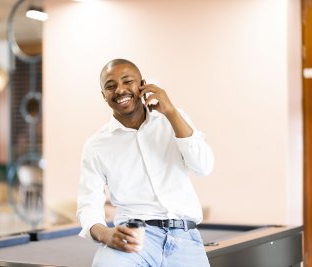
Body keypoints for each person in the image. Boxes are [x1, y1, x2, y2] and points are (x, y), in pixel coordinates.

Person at [77, 58, 214, 267]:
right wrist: (105, 234)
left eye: (127, 81)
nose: (120, 90)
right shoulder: (96, 145)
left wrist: (171, 111)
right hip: (134, 239)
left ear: (142, 84)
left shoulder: (173, 120)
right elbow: (88, 204)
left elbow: (203, 166)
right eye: (110, 86)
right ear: (103, 95)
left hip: (185, 237)